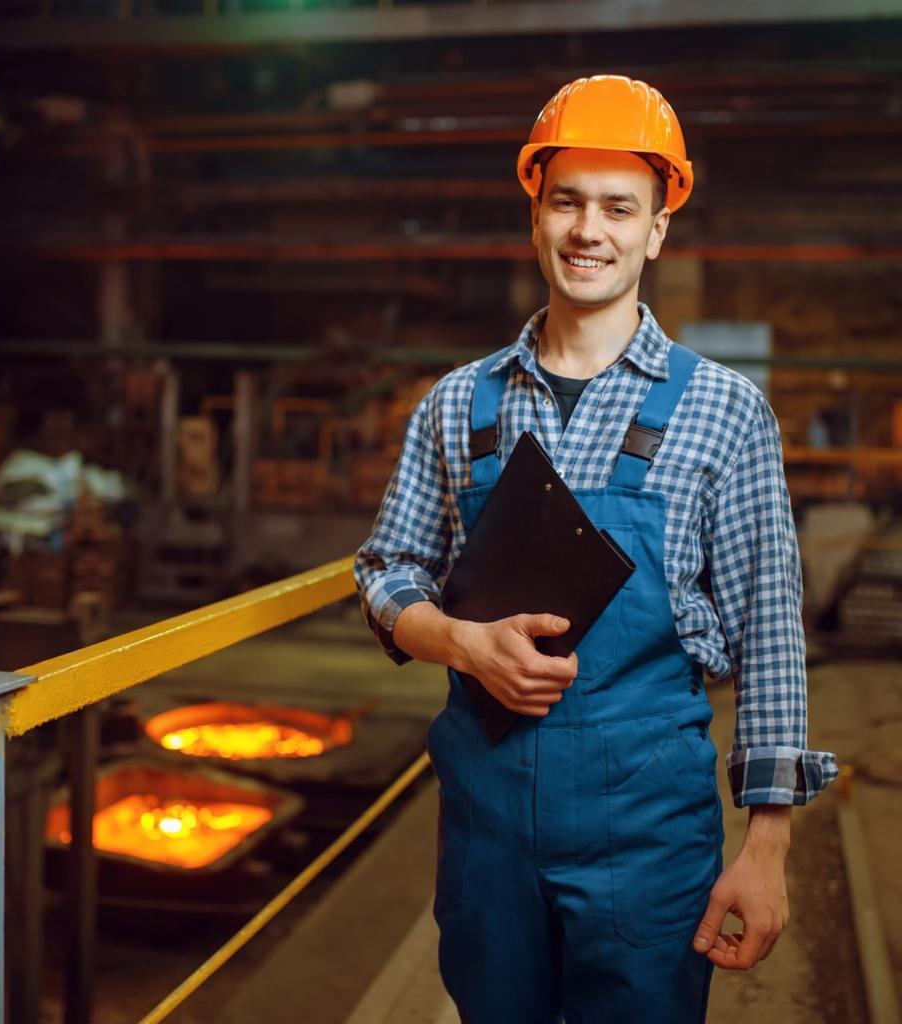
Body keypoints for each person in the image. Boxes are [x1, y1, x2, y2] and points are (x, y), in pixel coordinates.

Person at [354, 75, 838, 1023]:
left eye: (620, 207)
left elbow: (770, 635)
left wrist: (767, 848)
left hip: (648, 830)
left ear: (657, 229)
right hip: (486, 825)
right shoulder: (458, 405)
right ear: (535, 214)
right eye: (567, 201)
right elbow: (387, 567)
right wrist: (459, 642)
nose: (589, 230)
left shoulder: (724, 410)